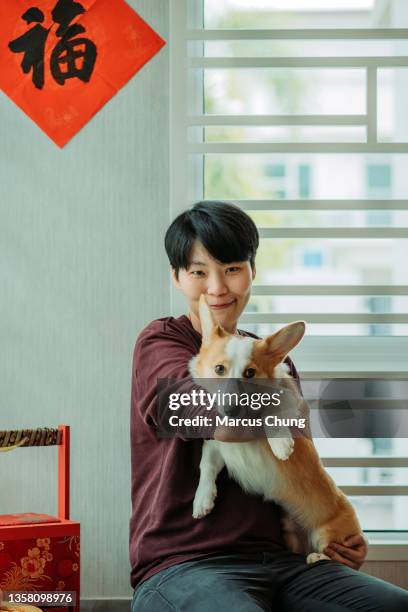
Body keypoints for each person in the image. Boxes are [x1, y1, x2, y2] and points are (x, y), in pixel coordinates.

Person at [130, 201, 408, 611]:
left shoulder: (271, 359)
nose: (218, 287)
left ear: (252, 271)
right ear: (176, 277)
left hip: (285, 561)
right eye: (199, 272)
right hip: (185, 563)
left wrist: (330, 528)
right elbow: (217, 419)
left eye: (232, 268)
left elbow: (299, 461)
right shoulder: (161, 343)